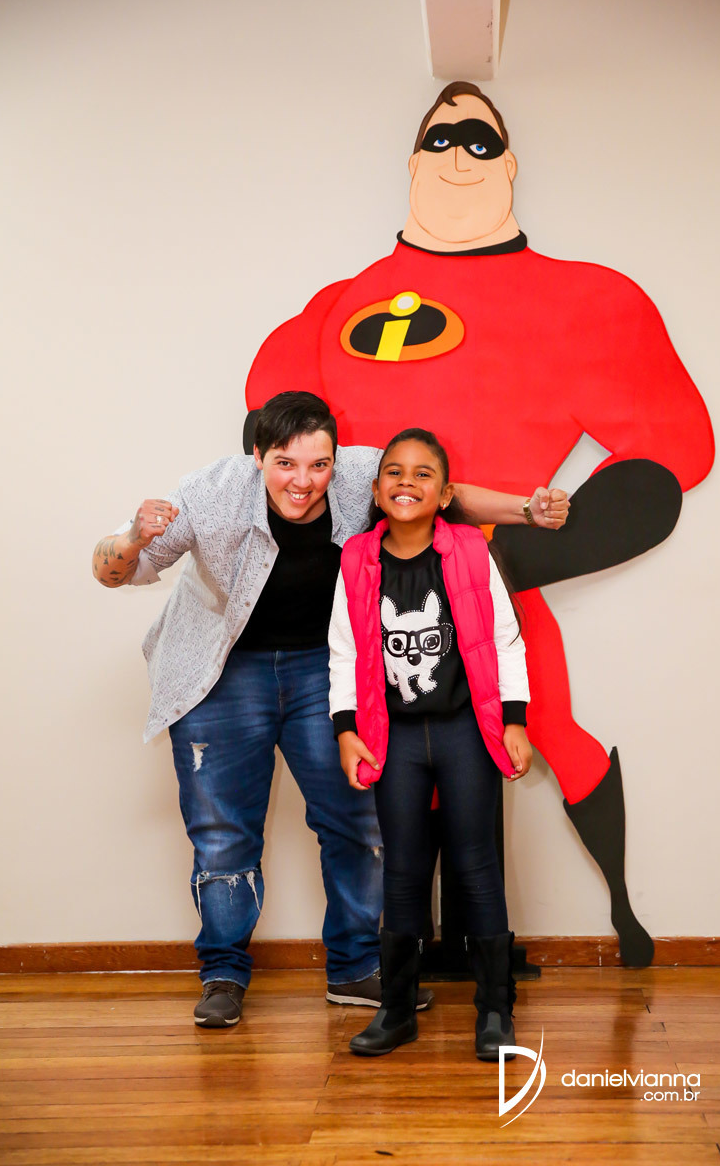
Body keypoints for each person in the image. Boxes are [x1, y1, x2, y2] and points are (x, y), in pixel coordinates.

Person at [245, 82, 715, 968]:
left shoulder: (588, 299)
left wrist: (518, 552)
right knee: (400, 749)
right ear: (413, 161)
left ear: (509, 163)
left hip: (496, 573)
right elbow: (278, 440)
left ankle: (598, 915)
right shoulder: (337, 308)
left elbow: (669, 454)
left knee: (544, 734)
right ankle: (420, 946)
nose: (459, 154)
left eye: (480, 139)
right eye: (441, 138)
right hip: (386, 583)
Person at [92, 391, 568, 1028]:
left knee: (356, 821)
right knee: (224, 833)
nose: (304, 481)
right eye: (286, 464)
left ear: (336, 460)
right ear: (257, 456)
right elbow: (112, 571)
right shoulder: (209, 493)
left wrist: (526, 510)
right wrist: (132, 536)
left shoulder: (357, 473)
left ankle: (355, 967)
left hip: (323, 666)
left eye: (319, 465)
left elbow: (443, 493)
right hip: (222, 671)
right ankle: (223, 974)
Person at [328, 428, 532, 1060]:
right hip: (393, 738)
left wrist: (515, 720)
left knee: (476, 864)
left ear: (445, 494)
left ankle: (494, 1009)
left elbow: (505, 639)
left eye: (423, 474)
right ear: (376, 489)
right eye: (394, 472)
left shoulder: (470, 551)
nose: (406, 482)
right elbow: (343, 650)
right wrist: (346, 730)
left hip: (465, 730)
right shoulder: (357, 558)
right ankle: (396, 1010)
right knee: (404, 869)